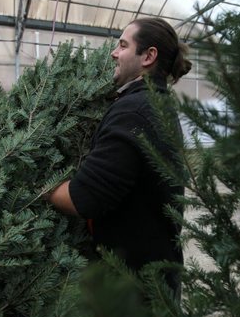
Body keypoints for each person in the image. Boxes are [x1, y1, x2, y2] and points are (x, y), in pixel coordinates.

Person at [47, 17, 192, 295]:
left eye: (123, 45)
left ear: (148, 56)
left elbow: (83, 199)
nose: (113, 53)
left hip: (134, 292)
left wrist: (38, 188)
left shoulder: (134, 111)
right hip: (156, 280)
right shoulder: (157, 103)